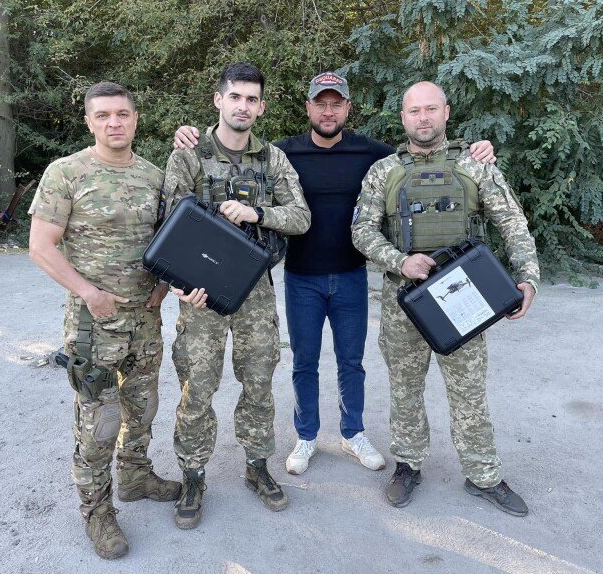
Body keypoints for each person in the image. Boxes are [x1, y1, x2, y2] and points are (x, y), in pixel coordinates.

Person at [173, 72, 496, 476]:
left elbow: (421, 153)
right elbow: (239, 167)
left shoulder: (373, 154)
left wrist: (479, 148)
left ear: (347, 108)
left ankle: (353, 433)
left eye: (336, 104)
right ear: (308, 107)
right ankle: (306, 436)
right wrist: (189, 134)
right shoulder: (282, 154)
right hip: (302, 278)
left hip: (350, 277)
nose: (328, 111)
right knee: (304, 363)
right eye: (320, 104)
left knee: (351, 362)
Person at [28, 82, 204, 559]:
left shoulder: (153, 177)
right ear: (89, 122)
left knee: (142, 408)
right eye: (103, 115)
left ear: (135, 118)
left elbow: (172, 239)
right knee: (99, 422)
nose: (114, 123)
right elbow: (40, 246)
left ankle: (135, 477)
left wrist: (165, 284)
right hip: (94, 326)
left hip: (145, 321)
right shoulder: (66, 172)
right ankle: (97, 511)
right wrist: (88, 292)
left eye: (122, 114)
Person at [351, 81, 540, 515]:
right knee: (405, 389)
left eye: (431, 109)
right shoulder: (384, 171)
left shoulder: (475, 165)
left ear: (446, 112)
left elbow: (512, 223)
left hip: (463, 297)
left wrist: (528, 277)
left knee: (469, 392)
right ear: (403, 117)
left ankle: (483, 475)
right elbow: (361, 231)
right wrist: (400, 261)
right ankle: (408, 466)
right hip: (405, 300)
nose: (423, 118)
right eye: (414, 110)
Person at [162, 62, 310, 529]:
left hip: (254, 291)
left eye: (251, 99)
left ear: (261, 107)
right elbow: (169, 225)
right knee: (197, 388)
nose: (243, 106)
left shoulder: (272, 159)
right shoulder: (189, 155)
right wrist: (180, 285)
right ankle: (192, 475)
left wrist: (256, 213)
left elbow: (301, 217)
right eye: (235, 96)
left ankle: (257, 466)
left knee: (259, 384)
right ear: (218, 100)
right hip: (200, 294)